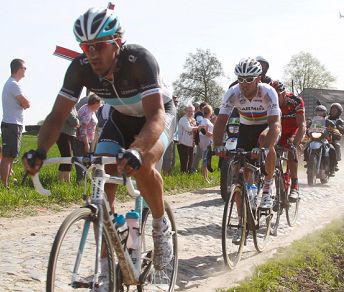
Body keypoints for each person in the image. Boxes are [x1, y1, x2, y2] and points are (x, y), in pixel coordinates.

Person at [22, 6, 176, 271]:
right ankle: (105, 263)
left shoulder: (139, 60)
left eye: (99, 46)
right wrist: (40, 151)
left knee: (143, 163)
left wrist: (137, 150)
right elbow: (57, 115)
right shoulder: (80, 68)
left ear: (116, 43)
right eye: (85, 47)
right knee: (102, 174)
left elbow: (155, 115)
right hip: (120, 118)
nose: (91, 54)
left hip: (156, 116)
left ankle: (161, 227)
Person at [213, 57, 281, 211]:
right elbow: (221, 122)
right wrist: (217, 145)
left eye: (249, 79)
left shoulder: (268, 92)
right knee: (240, 174)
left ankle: (268, 187)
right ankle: (241, 221)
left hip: (267, 125)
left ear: (258, 78)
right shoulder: (233, 92)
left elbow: (274, 124)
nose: (244, 84)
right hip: (246, 127)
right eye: (241, 79)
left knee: (265, 141)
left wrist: (264, 149)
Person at [271, 81, 306, 201]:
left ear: (283, 94)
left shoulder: (296, 101)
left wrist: (295, 144)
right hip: (279, 131)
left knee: (291, 148)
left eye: (276, 96)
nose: (273, 99)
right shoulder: (268, 102)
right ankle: (278, 193)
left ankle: (295, 185)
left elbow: (302, 125)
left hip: (293, 131)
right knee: (273, 157)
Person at [1, 58, 30, 187]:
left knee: (11, 156)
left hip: (12, 124)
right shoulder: (13, 84)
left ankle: (7, 183)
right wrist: (25, 103)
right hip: (12, 124)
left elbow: (24, 103)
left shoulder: (12, 84)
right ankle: (4, 185)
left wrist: (24, 103)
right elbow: (26, 103)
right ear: (18, 69)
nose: (25, 70)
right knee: (8, 157)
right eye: (24, 68)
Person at [304, 105, 337, 176]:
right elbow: (307, 127)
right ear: (315, 113)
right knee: (306, 147)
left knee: (332, 149)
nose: (319, 114)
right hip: (313, 139)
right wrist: (306, 130)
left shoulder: (329, 122)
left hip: (324, 140)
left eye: (321, 112)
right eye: (318, 112)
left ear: (325, 113)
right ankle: (308, 163)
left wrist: (333, 131)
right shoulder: (312, 121)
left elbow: (334, 129)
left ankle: (332, 169)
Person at [56, 106, 79, 182]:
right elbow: (74, 122)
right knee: (68, 157)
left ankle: (61, 181)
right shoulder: (66, 107)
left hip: (71, 135)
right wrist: (77, 122)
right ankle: (66, 181)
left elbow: (75, 121)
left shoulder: (74, 108)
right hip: (63, 135)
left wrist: (77, 122)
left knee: (66, 158)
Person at [177, 105, 199, 173]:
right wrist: (199, 127)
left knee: (190, 162)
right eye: (189, 111)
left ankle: (188, 177)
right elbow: (188, 128)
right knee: (184, 163)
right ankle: (182, 178)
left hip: (191, 144)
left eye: (192, 111)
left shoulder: (193, 120)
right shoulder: (183, 119)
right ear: (185, 111)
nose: (190, 113)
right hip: (183, 144)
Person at [162, 95, 179, 175]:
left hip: (172, 138)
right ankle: (165, 174)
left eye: (177, 101)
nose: (176, 103)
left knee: (171, 158)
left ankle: (169, 174)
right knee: (166, 158)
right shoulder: (166, 110)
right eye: (175, 101)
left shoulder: (175, 111)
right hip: (166, 137)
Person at [199, 104, 214, 182]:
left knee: (207, 159)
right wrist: (214, 135)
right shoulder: (205, 121)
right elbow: (204, 132)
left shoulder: (206, 120)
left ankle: (206, 177)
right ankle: (204, 178)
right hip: (206, 142)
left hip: (208, 141)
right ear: (210, 112)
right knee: (205, 159)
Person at [192, 101, 208, 172]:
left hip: (202, 137)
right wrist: (206, 133)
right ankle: (193, 169)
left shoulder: (202, 115)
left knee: (200, 154)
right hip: (200, 137)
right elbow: (200, 125)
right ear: (203, 108)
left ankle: (195, 168)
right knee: (199, 154)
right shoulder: (199, 114)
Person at [327, 103, 344, 171]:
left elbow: (342, 130)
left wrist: (340, 128)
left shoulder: (340, 121)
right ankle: (310, 160)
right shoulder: (326, 118)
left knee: (336, 145)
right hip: (323, 135)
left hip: (333, 138)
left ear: (339, 112)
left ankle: (335, 163)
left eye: (335, 110)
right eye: (332, 109)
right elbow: (319, 123)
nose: (333, 111)